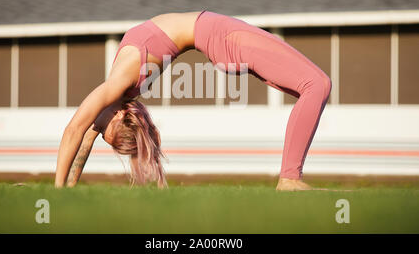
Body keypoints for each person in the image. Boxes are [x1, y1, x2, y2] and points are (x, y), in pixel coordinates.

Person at [55, 10, 331, 191]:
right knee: (316, 85)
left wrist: (57, 193)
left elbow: (74, 131)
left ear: (117, 115)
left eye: (102, 130)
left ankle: (289, 178)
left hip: (221, 36)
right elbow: (84, 139)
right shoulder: (119, 94)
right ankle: (290, 178)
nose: (96, 127)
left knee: (313, 85)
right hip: (219, 37)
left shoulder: (118, 84)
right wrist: (68, 192)